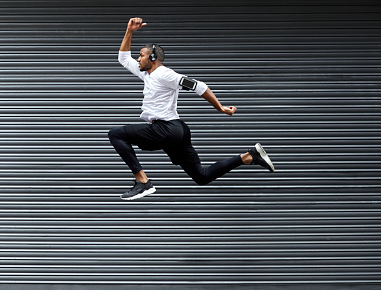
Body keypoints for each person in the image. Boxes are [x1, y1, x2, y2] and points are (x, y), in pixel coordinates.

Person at [108, 17, 275, 200]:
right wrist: (129, 31)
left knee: (116, 134)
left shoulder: (165, 74)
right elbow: (123, 58)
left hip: (166, 129)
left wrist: (220, 108)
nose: (138, 59)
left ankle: (143, 182)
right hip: (177, 131)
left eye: (141, 55)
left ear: (153, 58)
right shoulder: (147, 74)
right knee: (201, 177)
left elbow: (199, 86)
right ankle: (249, 157)